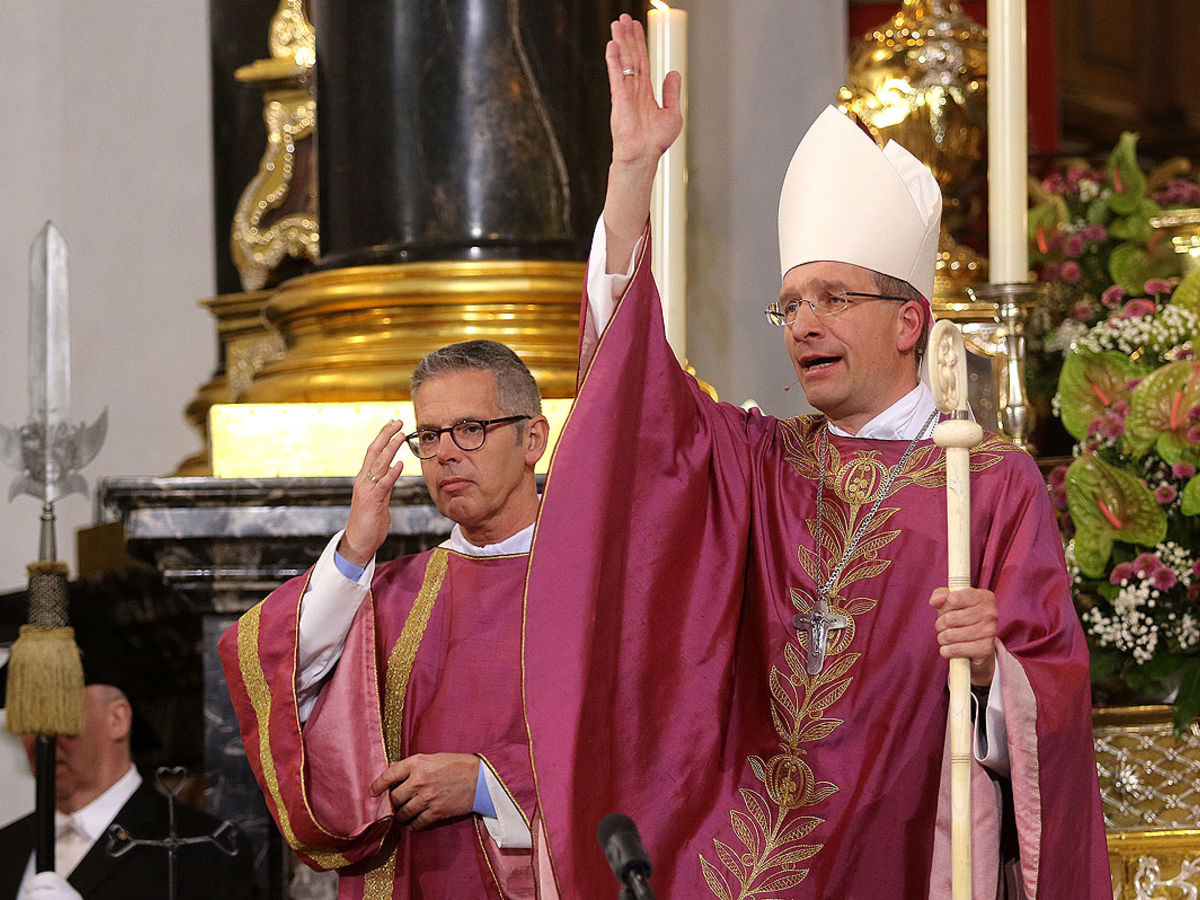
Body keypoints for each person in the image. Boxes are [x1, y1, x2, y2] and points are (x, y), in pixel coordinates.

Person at [519, 14, 1111, 899]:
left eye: (833, 297)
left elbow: (1054, 704)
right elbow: (631, 407)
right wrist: (632, 174)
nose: (803, 323)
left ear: (910, 320)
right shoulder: (758, 464)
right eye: (790, 304)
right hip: (748, 859)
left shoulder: (986, 481)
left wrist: (996, 669)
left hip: (909, 854)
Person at [219, 340, 556, 898]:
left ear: (533, 439)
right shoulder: (394, 593)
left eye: (470, 428)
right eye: (428, 436)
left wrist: (488, 785)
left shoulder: (592, 585)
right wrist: (354, 549)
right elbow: (279, 679)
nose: (446, 453)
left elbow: (641, 748)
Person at [0, 663, 255, 899]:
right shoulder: (8, 845)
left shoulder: (204, 848)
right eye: (26, 718)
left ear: (117, 719)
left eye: (59, 714)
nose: (39, 737)